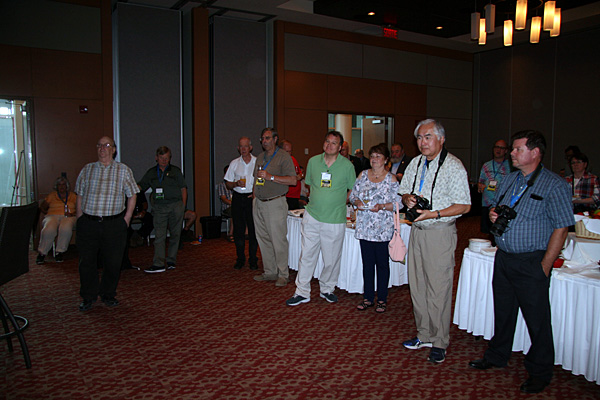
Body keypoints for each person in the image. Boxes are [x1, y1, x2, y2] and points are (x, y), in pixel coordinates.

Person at [469, 130, 574, 394]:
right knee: (503, 312)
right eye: (512, 150)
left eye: (517, 149)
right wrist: (493, 215)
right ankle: (497, 355)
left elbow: (562, 228)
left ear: (535, 152)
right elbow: (499, 207)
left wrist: (545, 266)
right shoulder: (509, 180)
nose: (511, 154)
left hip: (531, 261)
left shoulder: (554, 185)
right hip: (504, 258)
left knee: (537, 320)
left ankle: (540, 371)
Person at [398, 119, 471, 364]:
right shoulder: (416, 163)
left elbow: (465, 204)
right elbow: (404, 190)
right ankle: (424, 334)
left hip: (440, 231)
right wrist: (408, 198)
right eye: (419, 137)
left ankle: (440, 341)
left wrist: (435, 213)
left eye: (427, 137)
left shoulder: (453, 166)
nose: (422, 142)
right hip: (417, 229)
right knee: (417, 284)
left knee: (438, 288)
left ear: (441, 139)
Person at [286, 131, 356, 305]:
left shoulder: (347, 166)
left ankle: (327, 289)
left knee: (331, 259)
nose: (329, 145)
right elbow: (309, 183)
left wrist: (339, 201)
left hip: (334, 219)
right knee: (307, 255)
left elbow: (352, 189)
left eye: (334, 143)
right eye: (327, 141)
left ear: (340, 148)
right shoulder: (313, 162)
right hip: (312, 216)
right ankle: (301, 291)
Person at [75, 136, 138, 311]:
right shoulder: (87, 170)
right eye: (100, 145)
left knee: (113, 262)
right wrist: (80, 217)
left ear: (114, 150)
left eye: (107, 145)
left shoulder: (123, 170)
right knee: (86, 262)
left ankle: (108, 294)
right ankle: (88, 296)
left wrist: (127, 218)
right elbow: (79, 194)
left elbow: (132, 194)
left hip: (113, 224)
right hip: (89, 223)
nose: (103, 148)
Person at [348, 143, 399, 313]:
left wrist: (383, 206)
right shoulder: (362, 175)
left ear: (386, 160)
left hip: (383, 229)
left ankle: (382, 299)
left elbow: (399, 204)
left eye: (378, 156)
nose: (374, 159)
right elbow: (353, 195)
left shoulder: (391, 179)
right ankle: (368, 297)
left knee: (382, 265)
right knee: (367, 265)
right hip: (365, 228)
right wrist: (356, 202)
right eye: (372, 156)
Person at [252, 128, 297, 286]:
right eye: (262, 138)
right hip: (259, 202)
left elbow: (293, 180)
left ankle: (283, 274)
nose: (264, 141)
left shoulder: (284, 157)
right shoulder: (260, 157)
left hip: (275, 203)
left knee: (278, 240)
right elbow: (256, 179)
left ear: (275, 139)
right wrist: (255, 197)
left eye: (268, 138)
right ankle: (270, 272)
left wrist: (271, 177)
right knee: (263, 239)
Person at [138, 146, 187, 273]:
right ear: (156, 158)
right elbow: (141, 186)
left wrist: (183, 206)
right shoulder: (151, 173)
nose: (164, 161)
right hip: (160, 207)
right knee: (160, 235)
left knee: (175, 234)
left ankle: (171, 260)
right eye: (161, 158)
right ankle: (158, 263)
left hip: (176, 205)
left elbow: (183, 188)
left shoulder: (175, 171)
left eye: (167, 158)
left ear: (170, 158)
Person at [224, 137, 259, 270]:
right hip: (238, 197)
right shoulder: (234, 163)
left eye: (246, 146)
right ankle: (240, 259)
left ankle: (253, 260)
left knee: (253, 230)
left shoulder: (257, 162)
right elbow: (227, 184)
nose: (243, 149)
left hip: (252, 197)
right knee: (238, 231)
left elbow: (262, 180)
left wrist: (256, 193)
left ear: (250, 147)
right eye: (241, 147)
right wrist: (235, 184)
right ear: (238, 148)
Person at [36, 176, 77, 264]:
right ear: (56, 186)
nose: (61, 187)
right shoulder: (52, 195)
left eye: (63, 185)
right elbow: (42, 207)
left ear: (67, 186)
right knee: (48, 229)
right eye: (59, 185)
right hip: (52, 216)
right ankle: (42, 253)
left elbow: (80, 209)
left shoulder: (73, 196)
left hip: (68, 217)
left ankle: (59, 252)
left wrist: (72, 214)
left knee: (65, 228)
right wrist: (48, 214)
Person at [477, 140, 510, 236]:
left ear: (506, 151)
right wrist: (480, 185)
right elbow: (481, 181)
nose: (498, 150)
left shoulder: (510, 167)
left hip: (501, 205)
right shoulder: (486, 165)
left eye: (502, 148)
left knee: (499, 233)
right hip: (487, 203)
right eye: (496, 147)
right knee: (486, 233)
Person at [281, 139, 302, 210]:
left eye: (290, 151)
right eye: (287, 151)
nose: (289, 153)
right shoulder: (280, 162)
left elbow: (300, 173)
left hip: (295, 195)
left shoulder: (293, 159)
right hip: (287, 195)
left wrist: (300, 176)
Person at [217, 165, 234, 241]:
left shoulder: (236, 184)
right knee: (234, 211)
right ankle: (230, 234)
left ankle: (246, 233)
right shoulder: (222, 185)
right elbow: (224, 199)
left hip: (237, 205)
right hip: (227, 208)